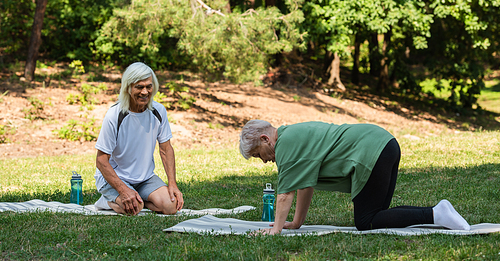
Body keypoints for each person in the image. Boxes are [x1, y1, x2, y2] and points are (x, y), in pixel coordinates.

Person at [239, 120, 470, 234]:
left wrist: (275, 230)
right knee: (378, 217)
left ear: (265, 139)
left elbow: (284, 194)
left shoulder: (285, 145)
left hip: (371, 151)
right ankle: (438, 212)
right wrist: (296, 223)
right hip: (385, 143)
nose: (265, 161)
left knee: (366, 220)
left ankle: (436, 213)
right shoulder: (292, 135)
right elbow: (303, 185)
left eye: (259, 155)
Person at [94, 62, 184, 215]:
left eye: (149, 86)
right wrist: (122, 189)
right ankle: (106, 201)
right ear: (128, 88)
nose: (145, 92)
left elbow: (166, 149)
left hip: (144, 179)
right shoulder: (114, 115)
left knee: (171, 206)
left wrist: (172, 184)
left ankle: (138, 199)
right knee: (132, 208)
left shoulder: (159, 111)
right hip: (116, 179)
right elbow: (101, 160)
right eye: (139, 87)